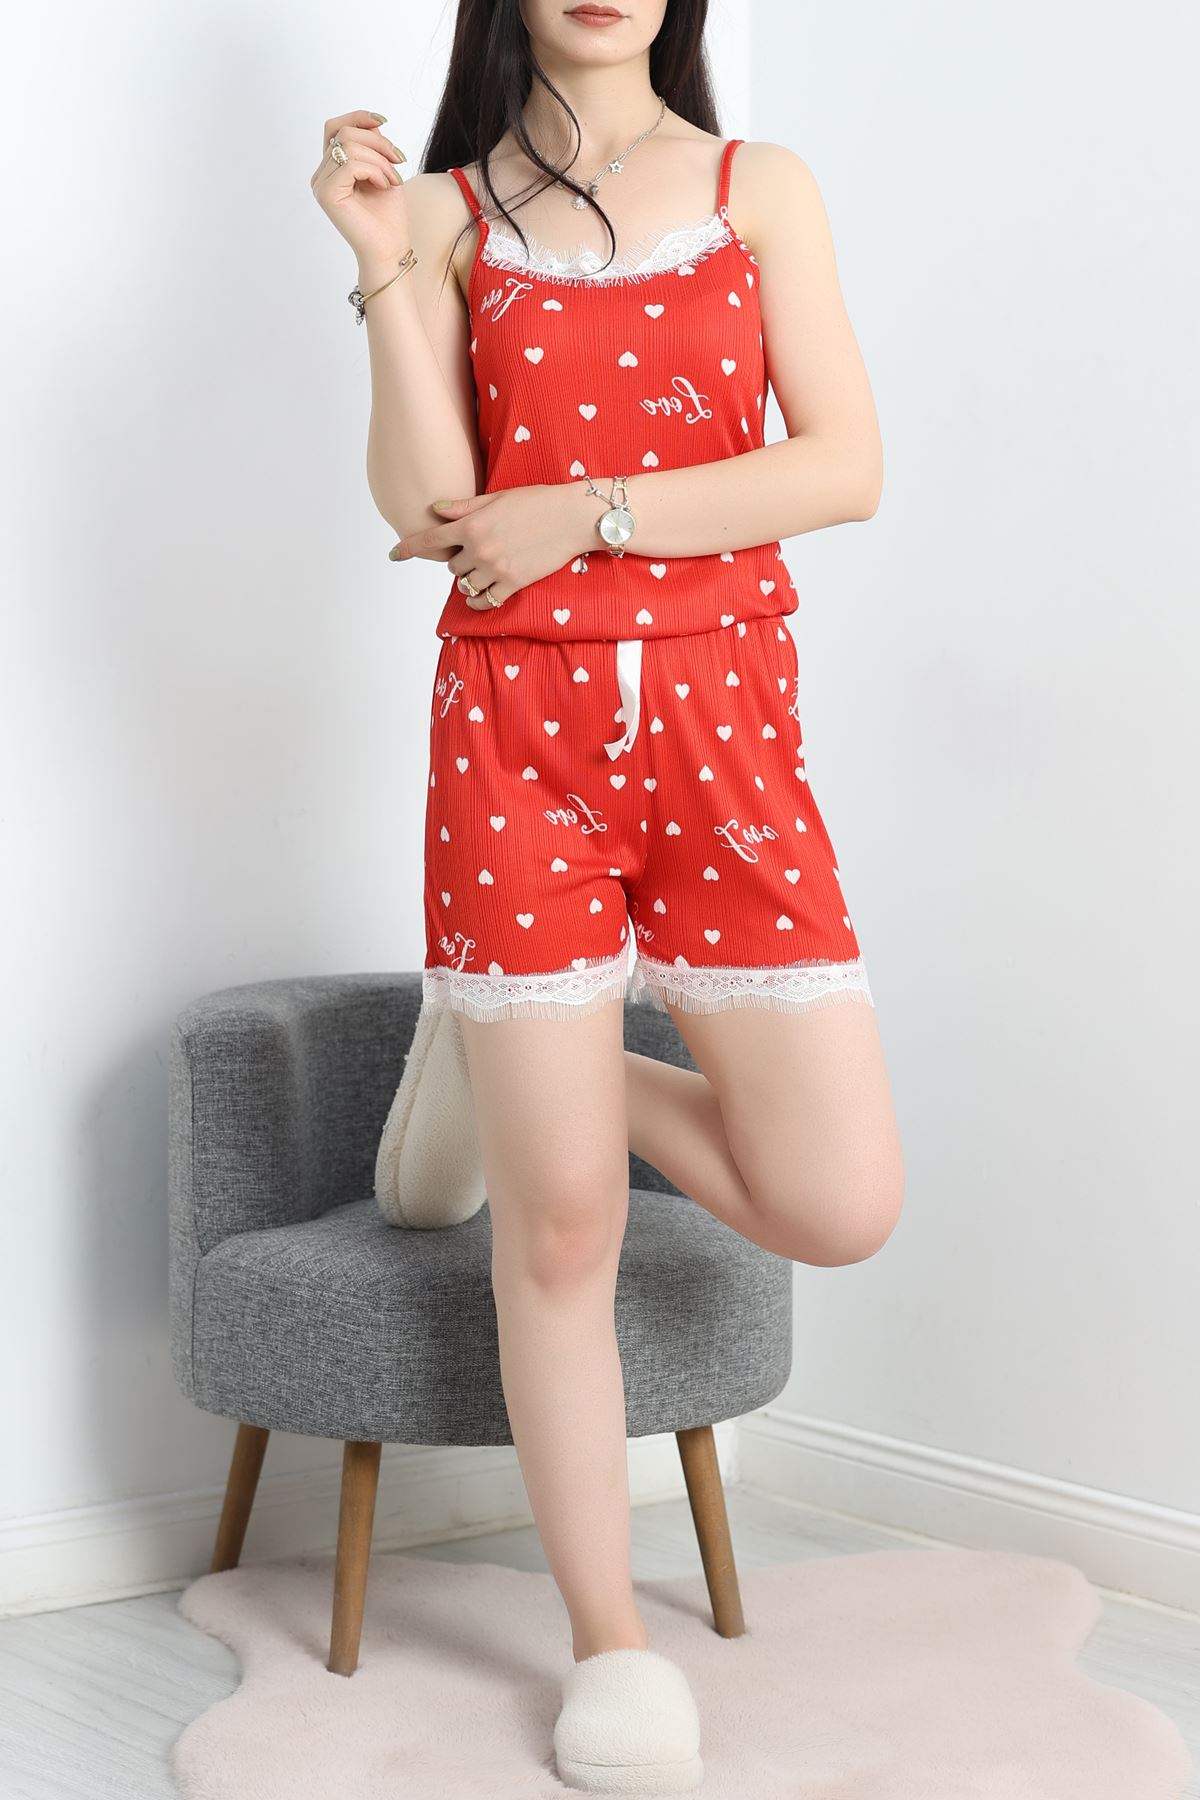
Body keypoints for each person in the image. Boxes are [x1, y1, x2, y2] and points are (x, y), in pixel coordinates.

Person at [312, 2, 905, 1789]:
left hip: (728, 738)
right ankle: (611, 1646)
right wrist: (379, 265)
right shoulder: (440, 212)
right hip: (516, 737)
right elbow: (433, 505)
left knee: (838, 1198)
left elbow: (843, 465)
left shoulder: (756, 187)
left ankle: (499, 1068)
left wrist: (593, 511)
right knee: (560, 1227)